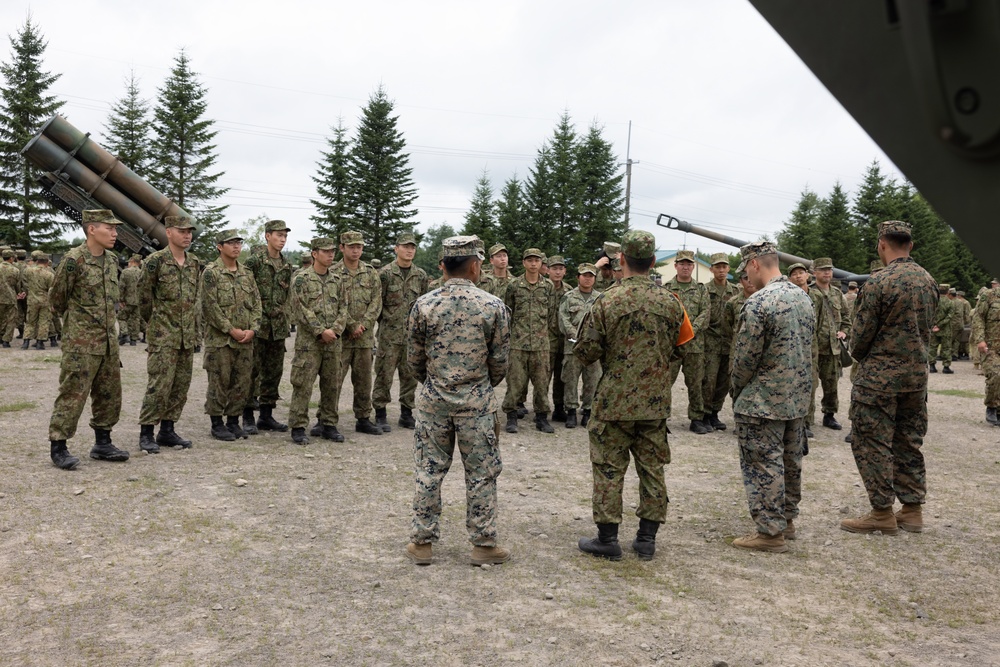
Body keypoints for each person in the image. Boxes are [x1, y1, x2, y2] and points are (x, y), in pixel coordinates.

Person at [575, 230, 689, 561]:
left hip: (613, 402)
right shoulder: (671, 302)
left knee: (609, 468)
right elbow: (683, 348)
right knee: (652, 468)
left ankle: (608, 540)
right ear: (653, 262)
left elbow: (585, 352)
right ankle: (646, 540)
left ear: (621, 260)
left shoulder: (605, 301)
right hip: (654, 403)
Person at [406, 235, 511, 566]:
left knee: (428, 470)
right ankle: (483, 544)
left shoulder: (424, 305)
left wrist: (436, 383)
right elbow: (500, 362)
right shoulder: (492, 306)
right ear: (476, 265)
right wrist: (479, 385)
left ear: (445, 266)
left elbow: (413, 359)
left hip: (433, 401)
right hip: (476, 403)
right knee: (481, 473)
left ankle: (422, 543)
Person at [841, 221, 937, 536]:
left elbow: (859, 340)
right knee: (908, 441)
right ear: (910, 245)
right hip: (916, 377)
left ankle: (881, 512)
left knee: (871, 441)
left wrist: (856, 349)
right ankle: (911, 510)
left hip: (879, 380)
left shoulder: (879, 282)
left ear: (883, 244)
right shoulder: (928, 280)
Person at [729, 242, 815, 553]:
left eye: (745, 272)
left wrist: (736, 390)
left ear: (754, 264)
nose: (745, 280)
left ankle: (769, 532)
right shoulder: (803, 298)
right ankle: (786, 521)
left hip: (762, 401)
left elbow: (744, 359)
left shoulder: (758, 302)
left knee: (763, 464)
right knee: (790, 461)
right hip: (796, 398)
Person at [47, 209, 129, 469]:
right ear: (92, 229)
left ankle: (103, 443)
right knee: (73, 394)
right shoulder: (74, 260)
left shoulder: (112, 260)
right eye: (110, 228)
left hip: (108, 342)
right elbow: (56, 300)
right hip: (81, 344)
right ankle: (59, 446)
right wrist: (76, 329)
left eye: (116, 229)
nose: (115, 233)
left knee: (109, 394)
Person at [137, 215, 201, 453]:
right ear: (169, 232)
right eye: (182, 231)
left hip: (187, 336)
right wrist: (155, 322)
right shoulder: (156, 261)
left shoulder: (194, 262)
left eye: (189, 232)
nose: (187, 235)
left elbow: (196, 300)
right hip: (163, 335)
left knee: (180, 386)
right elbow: (143, 297)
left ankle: (167, 430)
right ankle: (146, 432)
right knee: (159, 385)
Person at [200, 229, 262, 441]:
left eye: (238, 243)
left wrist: (253, 328)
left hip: (245, 339)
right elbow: (210, 307)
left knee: (241, 381)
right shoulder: (211, 273)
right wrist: (230, 329)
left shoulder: (246, 273)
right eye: (231, 243)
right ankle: (217, 423)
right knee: (219, 380)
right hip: (221, 340)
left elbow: (256, 304)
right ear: (219, 246)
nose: (236, 246)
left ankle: (233, 421)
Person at [287, 238, 347, 445]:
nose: (331, 254)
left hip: (333, 342)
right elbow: (299, 308)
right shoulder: (301, 279)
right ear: (314, 253)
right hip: (309, 343)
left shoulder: (337, 280)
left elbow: (344, 309)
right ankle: (298, 426)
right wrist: (321, 330)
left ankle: (328, 424)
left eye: (332, 251)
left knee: (332, 384)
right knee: (303, 384)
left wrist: (335, 330)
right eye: (325, 251)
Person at [373, 232, 428, 432]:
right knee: (383, 375)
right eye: (405, 246)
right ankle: (380, 413)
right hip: (389, 335)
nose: (409, 250)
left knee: (410, 375)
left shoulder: (420, 275)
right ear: (396, 249)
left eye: (412, 247)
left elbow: (423, 304)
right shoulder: (385, 274)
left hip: (412, 336)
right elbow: (377, 305)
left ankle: (406, 413)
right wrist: (386, 324)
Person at [242, 220, 294, 434]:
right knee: (251, 372)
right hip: (257, 326)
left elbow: (287, 296)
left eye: (284, 236)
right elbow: (244, 292)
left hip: (278, 328)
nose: (282, 239)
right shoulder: (254, 262)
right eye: (278, 235)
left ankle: (266, 415)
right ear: (267, 236)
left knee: (273, 372)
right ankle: (246, 416)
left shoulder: (286, 265)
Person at [332, 230, 383, 436]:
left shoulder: (370, 272)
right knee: (334, 379)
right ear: (342, 248)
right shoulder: (333, 272)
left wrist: (363, 325)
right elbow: (333, 303)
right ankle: (326, 418)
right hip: (341, 337)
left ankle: (363, 418)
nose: (356, 250)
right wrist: (351, 325)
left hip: (364, 337)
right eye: (351, 246)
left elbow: (376, 301)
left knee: (363, 380)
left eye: (359, 246)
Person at [502, 247, 556, 433]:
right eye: (530, 260)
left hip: (541, 345)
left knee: (542, 383)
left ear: (541, 263)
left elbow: (551, 314)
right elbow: (508, 312)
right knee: (515, 382)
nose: (533, 264)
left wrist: (541, 334)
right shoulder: (514, 286)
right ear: (524, 263)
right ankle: (511, 416)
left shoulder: (548, 286)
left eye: (537, 260)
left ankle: (541, 418)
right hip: (518, 343)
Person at [666, 250, 711, 433]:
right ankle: (660, 417)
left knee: (695, 383)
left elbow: (705, 313)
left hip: (695, 345)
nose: (685, 267)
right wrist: (678, 332)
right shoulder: (667, 288)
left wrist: (690, 331)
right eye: (682, 264)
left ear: (693, 267)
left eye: (689, 264)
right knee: (665, 382)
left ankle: (697, 419)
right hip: (673, 344)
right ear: (676, 266)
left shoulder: (701, 289)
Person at [558, 263, 603, 428]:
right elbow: (563, 319)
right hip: (572, 346)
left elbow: (603, 321)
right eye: (584, 275)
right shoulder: (568, 297)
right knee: (570, 379)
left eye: (591, 276)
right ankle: (570, 411)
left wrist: (590, 338)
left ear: (595, 279)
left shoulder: (600, 298)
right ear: (578, 277)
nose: (587, 278)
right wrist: (576, 335)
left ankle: (588, 411)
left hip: (593, 347)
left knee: (592, 380)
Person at [811, 257, 850, 430]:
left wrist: (844, 332)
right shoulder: (808, 292)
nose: (827, 272)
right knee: (809, 386)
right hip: (812, 349)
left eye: (829, 269)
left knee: (831, 385)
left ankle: (829, 415)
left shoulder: (837, 294)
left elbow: (847, 319)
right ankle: (806, 420)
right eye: (823, 269)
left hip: (833, 348)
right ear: (815, 272)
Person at [702, 252, 739, 430]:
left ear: (729, 269)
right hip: (711, 341)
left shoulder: (736, 291)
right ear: (711, 269)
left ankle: (715, 413)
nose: (721, 270)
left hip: (729, 343)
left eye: (724, 267)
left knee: (724, 382)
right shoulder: (705, 290)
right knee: (709, 380)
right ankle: (704, 413)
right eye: (718, 267)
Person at [972, 280, 1000, 425]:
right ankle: (991, 406)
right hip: (991, 346)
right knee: (995, 375)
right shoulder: (989, 296)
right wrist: (980, 340)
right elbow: (978, 317)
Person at [546, 255, 570, 422]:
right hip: (546, 339)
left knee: (561, 377)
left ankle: (559, 408)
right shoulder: (542, 288)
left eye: (560, 268)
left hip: (563, 340)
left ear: (565, 271)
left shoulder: (569, 291)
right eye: (554, 268)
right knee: (543, 377)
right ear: (548, 270)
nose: (557, 272)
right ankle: (542, 409)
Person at [21, 252, 55, 349]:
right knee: (43, 322)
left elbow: (25, 283)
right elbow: (51, 290)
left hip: (32, 300)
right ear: (47, 262)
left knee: (30, 321)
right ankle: (40, 343)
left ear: (37, 261)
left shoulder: (28, 271)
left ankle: (25, 343)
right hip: (45, 300)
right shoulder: (49, 274)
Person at [929, 283, 954, 373]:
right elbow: (949, 316)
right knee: (946, 348)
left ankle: (932, 366)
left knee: (932, 347)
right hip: (945, 329)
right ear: (948, 291)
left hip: (933, 328)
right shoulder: (950, 302)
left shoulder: (933, 301)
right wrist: (940, 325)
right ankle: (946, 367)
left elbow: (929, 314)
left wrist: (934, 325)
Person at [118, 254, 143, 346]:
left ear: (132, 261)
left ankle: (124, 333)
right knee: (135, 319)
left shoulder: (126, 272)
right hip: (138, 301)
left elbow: (121, 287)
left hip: (128, 301)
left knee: (121, 317)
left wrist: (120, 300)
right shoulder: (142, 273)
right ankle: (133, 340)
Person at [0, 248, 17, 347]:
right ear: (11, 258)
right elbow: (17, 285)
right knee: (10, 320)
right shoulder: (15, 270)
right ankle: (6, 340)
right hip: (10, 297)